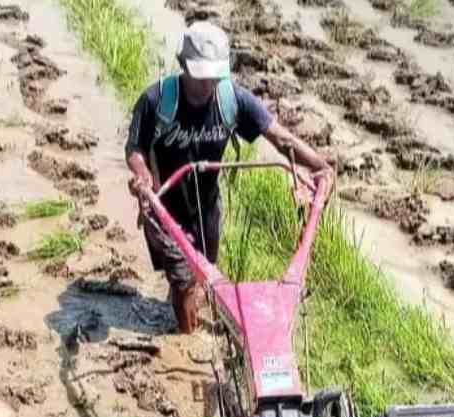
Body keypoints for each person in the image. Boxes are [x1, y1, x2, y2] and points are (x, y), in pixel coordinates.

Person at [124, 21, 332, 334]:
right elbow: (135, 147)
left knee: (204, 276)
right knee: (182, 280)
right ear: (183, 65)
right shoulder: (157, 100)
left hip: (206, 207)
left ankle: (183, 308)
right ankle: (185, 339)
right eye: (199, 76)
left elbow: (281, 139)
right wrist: (141, 176)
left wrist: (320, 166)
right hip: (163, 207)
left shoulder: (232, 100)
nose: (207, 85)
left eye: (213, 76)